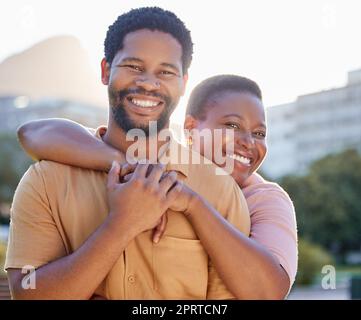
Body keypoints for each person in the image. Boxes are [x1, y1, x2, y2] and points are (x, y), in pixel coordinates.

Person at [5, 7, 251, 300]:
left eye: (166, 71)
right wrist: (122, 225)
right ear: (105, 71)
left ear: (184, 83)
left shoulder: (219, 190)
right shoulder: (45, 181)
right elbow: (27, 293)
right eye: (134, 66)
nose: (148, 83)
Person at [15, 75, 298, 299]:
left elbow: (267, 291)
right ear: (189, 128)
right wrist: (132, 167)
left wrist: (192, 204)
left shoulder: (264, 199)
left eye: (260, 133)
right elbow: (34, 133)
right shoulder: (149, 166)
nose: (249, 141)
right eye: (232, 126)